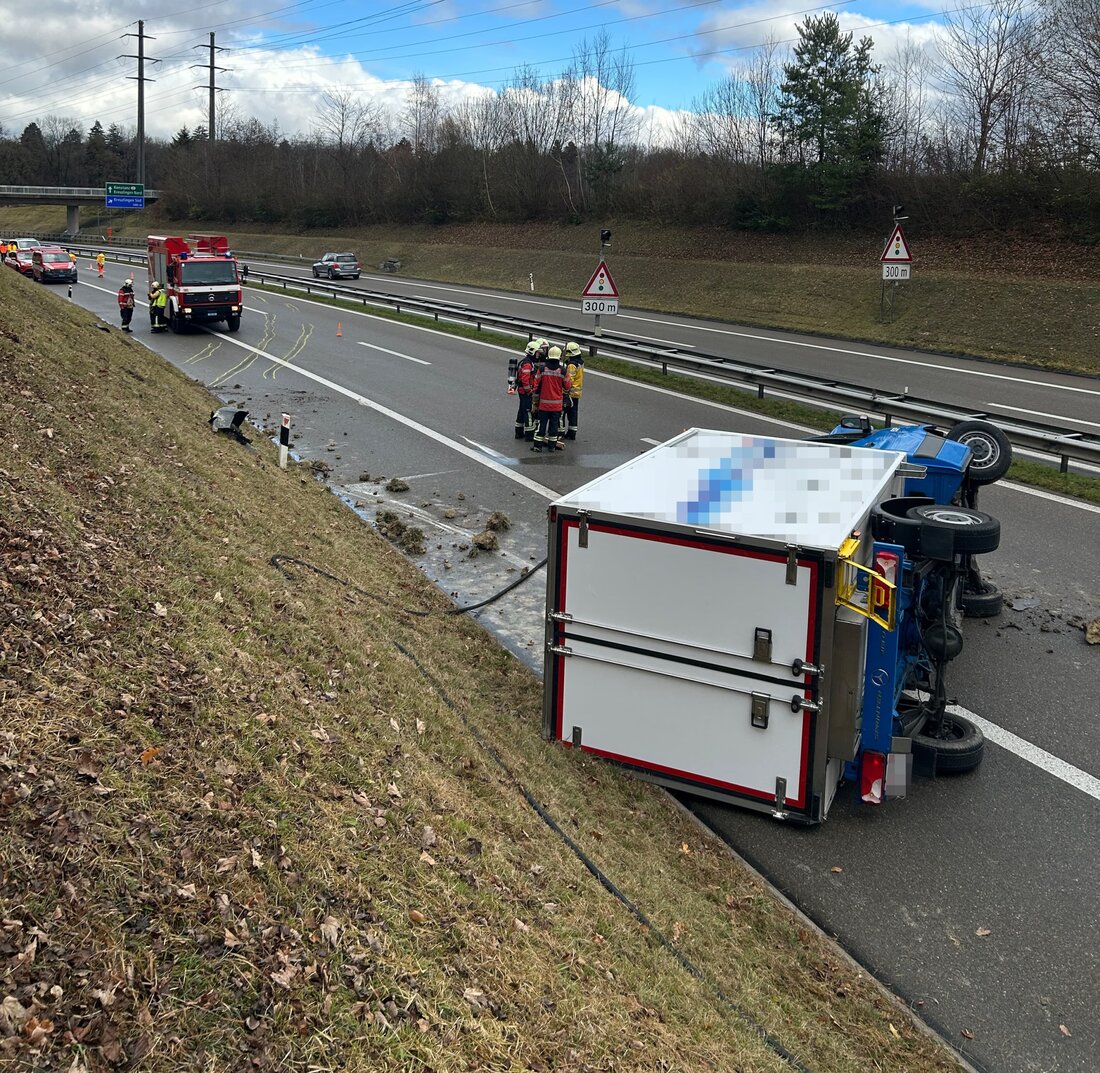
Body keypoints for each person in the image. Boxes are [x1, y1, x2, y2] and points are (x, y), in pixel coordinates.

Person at [531, 346, 572, 453]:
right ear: (559, 357)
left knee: (541, 425)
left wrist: (534, 396)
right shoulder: (562, 371)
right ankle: (552, 447)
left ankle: (537, 446)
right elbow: (568, 387)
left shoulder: (542, 369)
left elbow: (536, 384)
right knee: (554, 427)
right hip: (556, 405)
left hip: (543, 404)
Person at [511, 340, 539, 440]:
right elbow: (525, 380)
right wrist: (530, 392)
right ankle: (529, 435)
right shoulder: (527, 364)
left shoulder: (525, 361)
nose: (538, 354)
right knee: (528, 412)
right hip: (525, 392)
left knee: (521, 411)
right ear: (533, 352)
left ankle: (518, 432)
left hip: (521, 391)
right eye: (537, 352)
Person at [561, 341, 585, 441]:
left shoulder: (571, 365)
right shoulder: (580, 362)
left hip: (569, 393)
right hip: (576, 393)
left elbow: (569, 379)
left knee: (562, 412)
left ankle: (560, 432)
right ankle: (572, 432)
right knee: (573, 413)